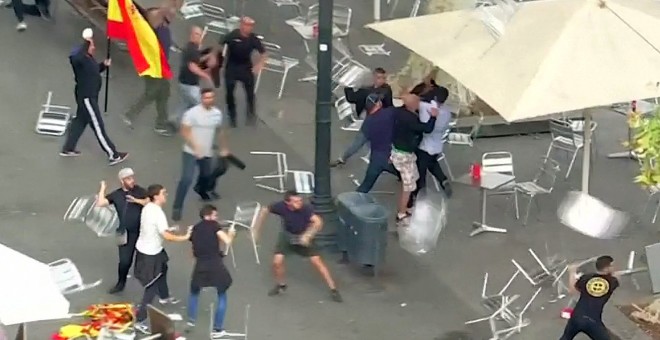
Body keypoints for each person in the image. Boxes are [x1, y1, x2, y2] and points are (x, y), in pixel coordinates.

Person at [253, 191, 343, 302]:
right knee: (277, 262)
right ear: (287, 203)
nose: (299, 203)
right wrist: (256, 230)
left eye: (300, 200)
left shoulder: (306, 209)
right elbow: (264, 210)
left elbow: (318, 222)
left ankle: (333, 289)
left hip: (303, 236)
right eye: (296, 201)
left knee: (317, 262)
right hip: (288, 236)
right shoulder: (280, 207)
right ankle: (281, 285)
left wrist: (308, 235)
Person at [61, 28, 129, 166]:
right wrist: (86, 42)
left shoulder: (88, 59)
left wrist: (103, 65)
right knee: (98, 126)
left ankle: (68, 148)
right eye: (91, 45)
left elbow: (94, 71)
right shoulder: (78, 59)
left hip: (88, 96)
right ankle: (113, 154)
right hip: (87, 98)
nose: (94, 47)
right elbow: (76, 57)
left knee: (80, 121)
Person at [133, 184, 192, 333]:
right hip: (150, 254)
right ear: (156, 196)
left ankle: (164, 296)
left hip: (148, 249)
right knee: (151, 288)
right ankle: (140, 319)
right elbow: (166, 236)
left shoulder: (148, 207)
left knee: (163, 268)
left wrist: (168, 229)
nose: (166, 194)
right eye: (163, 193)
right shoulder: (158, 213)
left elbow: (156, 228)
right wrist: (184, 237)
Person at [172, 88, 229, 222]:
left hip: (207, 152)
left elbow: (220, 131)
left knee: (206, 175)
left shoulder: (217, 114)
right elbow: (184, 131)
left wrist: (223, 148)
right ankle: (177, 207)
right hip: (191, 152)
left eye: (211, 97)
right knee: (186, 179)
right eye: (206, 98)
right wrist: (195, 147)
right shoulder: (192, 113)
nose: (208, 100)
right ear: (201, 98)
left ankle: (201, 190)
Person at [121, 6, 174, 136]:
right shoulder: (150, 30)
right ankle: (130, 115)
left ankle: (161, 122)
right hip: (153, 67)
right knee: (152, 92)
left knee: (164, 92)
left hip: (161, 67)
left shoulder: (164, 28)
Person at [185, 205, 236, 339]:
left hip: (200, 264)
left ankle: (191, 320)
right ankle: (218, 328)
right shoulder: (214, 226)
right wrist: (231, 233)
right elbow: (227, 241)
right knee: (222, 293)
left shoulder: (195, 228)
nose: (216, 218)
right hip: (215, 264)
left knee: (194, 292)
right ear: (208, 216)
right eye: (215, 215)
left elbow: (193, 249)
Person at [95, 168, 148, 294]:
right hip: (125, 232)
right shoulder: (116, 194)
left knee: (145, 259)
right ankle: (121, 283)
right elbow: (101, 203)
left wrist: (136, 201)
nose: (132, 181)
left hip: (141, 231)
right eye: (128, 179)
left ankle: (149, 283)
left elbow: (149, 202)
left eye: (132, 178)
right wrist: (103, 188)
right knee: (124, 261)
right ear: (122, 181)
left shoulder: (139, 191)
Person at [330, 68, 394, 167]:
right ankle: (343, 158)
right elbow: (352, 98)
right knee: (361, 142)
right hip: (371, 122)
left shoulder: (384, 90)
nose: (381, 80)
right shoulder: (368, 90)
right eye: (379, 78)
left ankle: (343, 158)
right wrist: (348, 86)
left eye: (383, 78)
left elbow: (388, 103)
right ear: (373, 78)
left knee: (366, 142)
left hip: (379, 122)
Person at [391, 93, 437, 223]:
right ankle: (401, 213)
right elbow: (426, 129)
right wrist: (433, 117)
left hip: (401, 152)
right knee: (408, 186)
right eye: (417, 102)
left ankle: (407, 207)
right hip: (404, 155)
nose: (419, 105)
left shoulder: (400, 113)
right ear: (411, 104)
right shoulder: (409, 119)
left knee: (412, 179)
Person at [409, 86, 453, 205]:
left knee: (421, 172)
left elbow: (414, 101)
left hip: (424, 145)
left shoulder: (425, 107)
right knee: (432, 163)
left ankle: (420, 196)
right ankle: (443, 180)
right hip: (437, 144)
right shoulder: (447, 113)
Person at [218, 17, 266, 127]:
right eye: (245, 25)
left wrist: (259, 65)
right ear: (241, 25)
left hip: (246, 68)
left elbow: (264, 53)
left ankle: (251, 115)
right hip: (232, 67)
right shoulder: (233, 35)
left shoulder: (253, 39)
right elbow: (221, 43)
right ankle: (232, 115)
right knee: (229, 92)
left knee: (250, 94)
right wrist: (217, 58)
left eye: (250, 26)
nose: (247, 28)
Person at [560, 255, 620, 340]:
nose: (614, 267)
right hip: (592, 320)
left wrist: (572, 272)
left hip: (576, 317)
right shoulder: (612, 281)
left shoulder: (586, 278)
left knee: (566, 338)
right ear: (607, 268)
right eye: (612, 266)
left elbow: (572, 291)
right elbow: (616, 276)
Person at [356, 93, 399, 193]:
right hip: (391, 156)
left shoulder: (367, 123)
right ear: (378, 104)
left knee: (365, 186)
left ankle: (351, 201)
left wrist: (343, 157)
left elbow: (357, 144)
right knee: (406, 176)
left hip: (376, 158)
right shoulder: (389, 113)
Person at [176, 26, 213, 125]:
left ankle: (174, 122)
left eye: (200, 35)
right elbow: (193, 66)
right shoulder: (191, 50)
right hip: (189, 85)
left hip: (184, 82)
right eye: (197, 34)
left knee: (186, 104)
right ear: (191, 35)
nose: (199, 37)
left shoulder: (192, 47)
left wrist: (206, 56)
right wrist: (206, 76)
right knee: (200, 104)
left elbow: (196, 58)